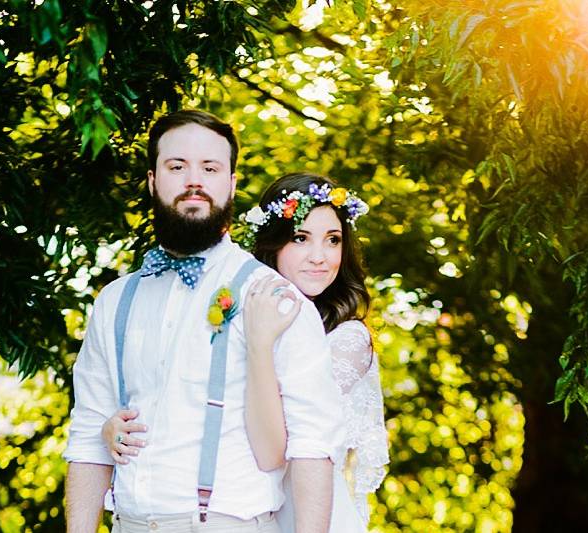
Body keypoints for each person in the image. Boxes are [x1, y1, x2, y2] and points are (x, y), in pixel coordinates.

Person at [63, 110, 345, 533]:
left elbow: (311, 447)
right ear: (153, 180)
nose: (194, 180)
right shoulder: (114, 302)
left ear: (230, 183)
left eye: (210, 168)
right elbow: (88, 436)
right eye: (177, 166)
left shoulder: (275, 300)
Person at [104, 173, 389, 532]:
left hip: (306, 512)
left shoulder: (347, 337)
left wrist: (260, 344)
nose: (320, 257)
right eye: (301, 238)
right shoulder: (233, 306)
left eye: (332, 240)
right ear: (273, 244)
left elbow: (275, 444)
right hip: (236, 508)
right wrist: (112, 425)